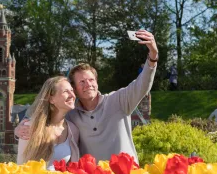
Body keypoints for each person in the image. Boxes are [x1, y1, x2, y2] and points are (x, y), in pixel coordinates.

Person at [16, 29, 158, 164]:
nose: (88, 85)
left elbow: (142, 84)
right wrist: (18, 129)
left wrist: (152, 56)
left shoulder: (119, 100)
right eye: (82, 82)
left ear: (97, 82)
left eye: (91, 80)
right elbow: (45, 113)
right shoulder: (71, 114)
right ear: (75, 89)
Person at [17, 76, 80, 170]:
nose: (72, 95)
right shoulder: (30, 128)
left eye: (72, 90)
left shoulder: (73, 130)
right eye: (66, 92)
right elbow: (21, 166)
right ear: (51, 99)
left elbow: (71, 169)